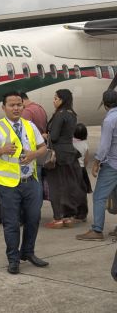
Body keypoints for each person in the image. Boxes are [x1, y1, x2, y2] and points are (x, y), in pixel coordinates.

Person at [0, 91, 48, 275]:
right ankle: (13, 259)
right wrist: (1, 150)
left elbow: (43, 147)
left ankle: (28, 252)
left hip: (31, 182)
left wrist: (33, 154)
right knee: (11, 224)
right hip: (8, 184)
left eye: (19, 104)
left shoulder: (29, 126)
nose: (16, 108)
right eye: (12, 105)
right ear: (4, 108)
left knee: (33, 219)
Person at [77, 90, 117, 241]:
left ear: (105, 104)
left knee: (99, 197)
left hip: (113, 164)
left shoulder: (109, 120)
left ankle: (97, 230)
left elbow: (105, 145)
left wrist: (96, 162)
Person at [43, 89, 87, 229]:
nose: (53, 101)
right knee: (68, 185)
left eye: (56, 98)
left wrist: (46, 136)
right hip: (70, 152)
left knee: (56, 186)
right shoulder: (72, 114)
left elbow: (54, 136)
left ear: (62, 100)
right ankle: (68, 217)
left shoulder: (60, 115)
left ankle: (58, 218)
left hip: (58, 154)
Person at [72, 123, 92, 222]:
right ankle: (82, 213)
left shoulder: (71, 143)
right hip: (81, 170)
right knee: (82, 193)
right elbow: (86, 159)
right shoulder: (85, 144)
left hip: (72, 170)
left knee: (72, 192)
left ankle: (73, 212)